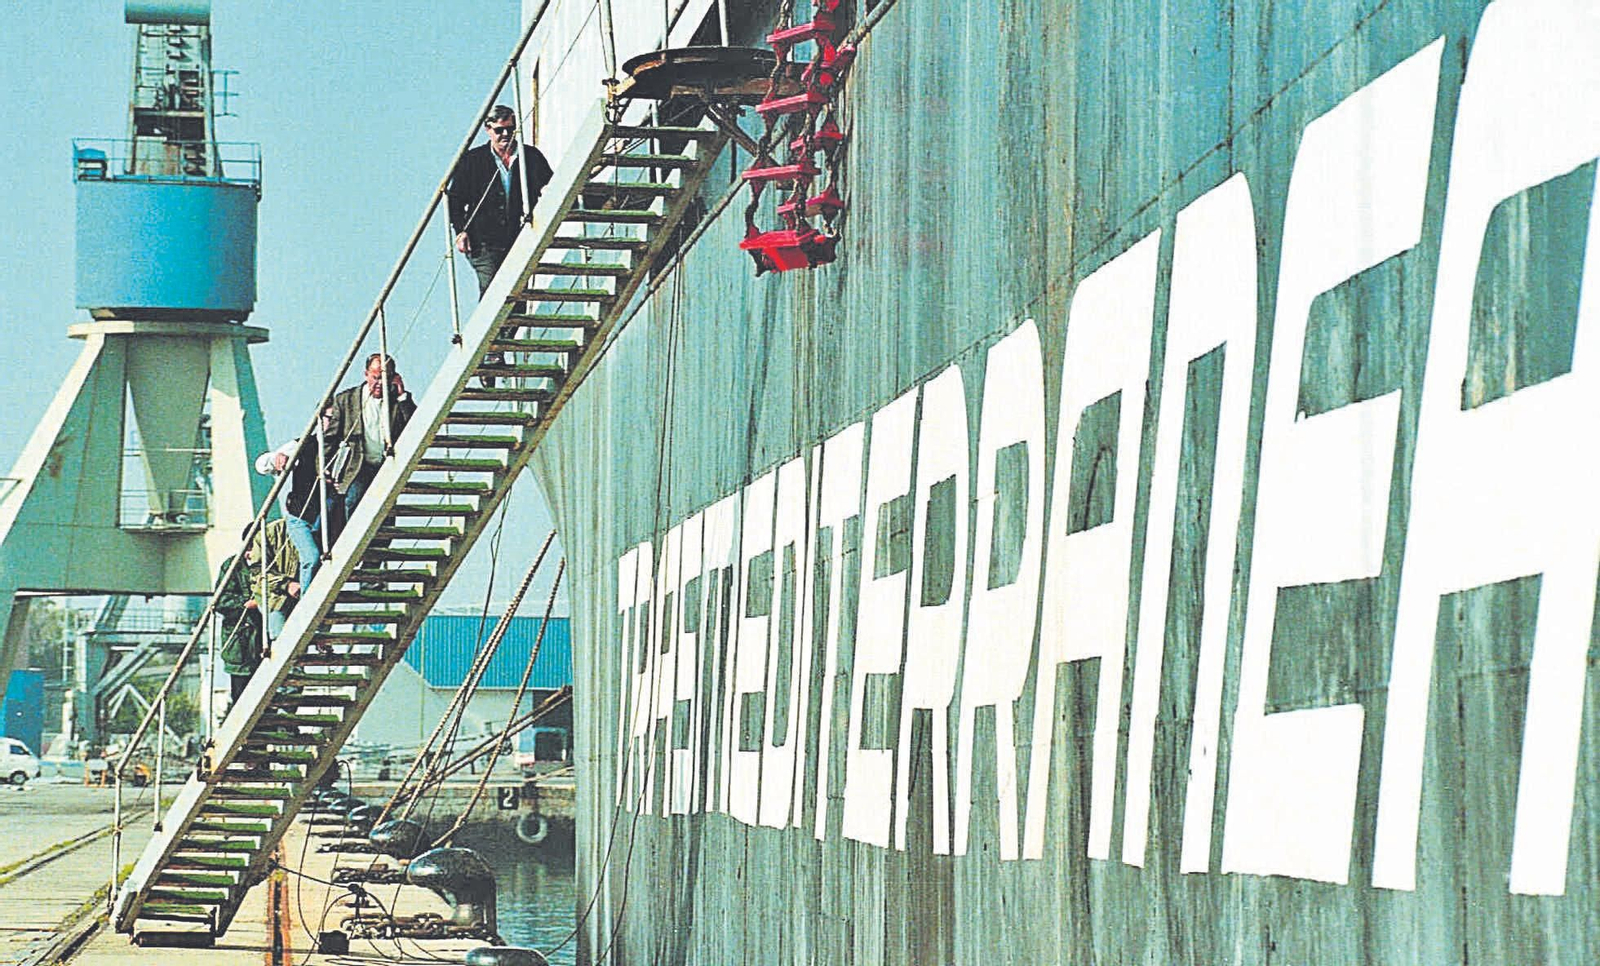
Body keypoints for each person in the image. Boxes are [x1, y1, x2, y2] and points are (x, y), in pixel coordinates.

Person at [447, 104, 554, 297]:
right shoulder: (473, 160)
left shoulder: (530, 156)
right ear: (488, 130)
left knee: (518, 293)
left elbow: (551, 186)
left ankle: (511, 328)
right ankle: (490, 328)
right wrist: (460, 231)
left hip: (519, 236)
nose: (506, 134)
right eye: (499, 130)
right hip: (483, 241)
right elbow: (454, 199)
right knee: (493, 291)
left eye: (510, 129)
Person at [214, 520, 301, 705]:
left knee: (274, 697)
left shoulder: (275, 566)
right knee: (242, 699)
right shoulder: (233, 566)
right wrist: (251, 604)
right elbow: (221, 601)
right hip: (242, 647)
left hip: (268, 642)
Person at [254, 408, 343, 589]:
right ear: (319, 419)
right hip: (300, 516)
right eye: (328, 418)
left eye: (336, 418)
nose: (332, 423)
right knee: (311, 558)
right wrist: (277, 458)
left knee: (324, 561)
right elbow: (262, 465)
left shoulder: (345, 445)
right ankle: (307, 603)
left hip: (327, 516)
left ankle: (316, 600)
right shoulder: (303, 444)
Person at [325, 353, 418, 523]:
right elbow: (331, 438)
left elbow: (415, 426)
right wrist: (323, 467)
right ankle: (355, 544)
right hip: (360, 466)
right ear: (366, 374)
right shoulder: (345, 400)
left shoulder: (398, 400)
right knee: (353, 501)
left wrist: (402, 394)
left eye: (386, 378)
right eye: (375, 377)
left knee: (386, 511)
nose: (380, 383)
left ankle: (381, 546)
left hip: (387, 466)